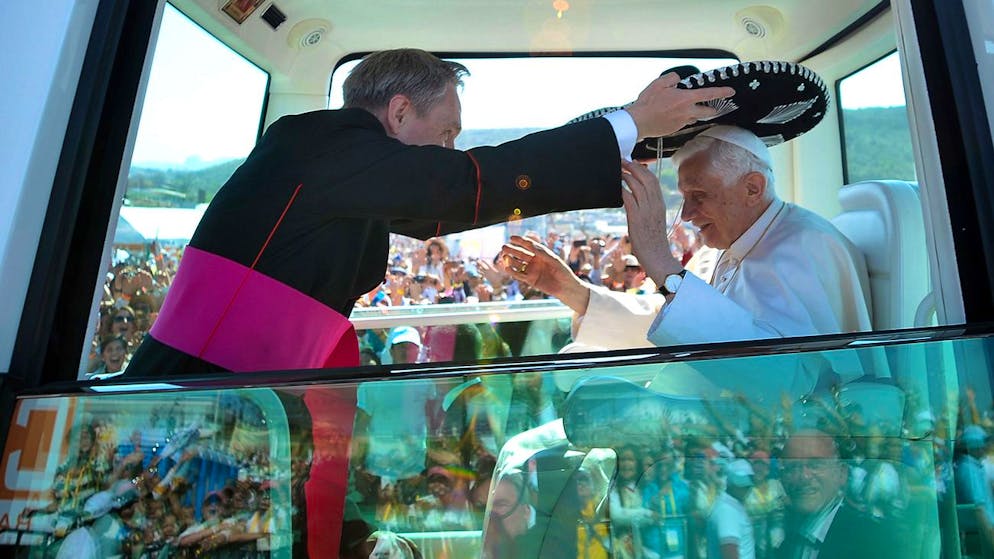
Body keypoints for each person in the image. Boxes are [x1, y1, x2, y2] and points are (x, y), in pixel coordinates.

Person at [121, 48, 732, 557]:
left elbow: (454, 198)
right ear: (399, 110)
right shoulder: (319, 142)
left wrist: (606, 147)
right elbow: (467, 183)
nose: (452, 148)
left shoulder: (344, 169)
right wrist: (631, 121)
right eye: (446, 132)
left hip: (253, 408)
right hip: (197, 406)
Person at [500, 125, 871, 349]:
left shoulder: (804, 246)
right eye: (684, 199)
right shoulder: (727, 247)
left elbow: (779, 375)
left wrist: (661, 263)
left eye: (699, 197)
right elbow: (673, 324)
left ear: (753, 188)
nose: (689, 215)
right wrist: (569, 289)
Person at [777, 429, 891, 558]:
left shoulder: (871, 539)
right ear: (782, 478)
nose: (804, 476)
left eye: (815, 465)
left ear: (841, 473)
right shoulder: (788, 544)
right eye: (793, 467)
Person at [706, 459, 755, 559]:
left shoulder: (734, 505)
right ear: (729, 482)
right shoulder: (727, 510)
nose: (745, 488)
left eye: (747, 485)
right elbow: (729, 549)